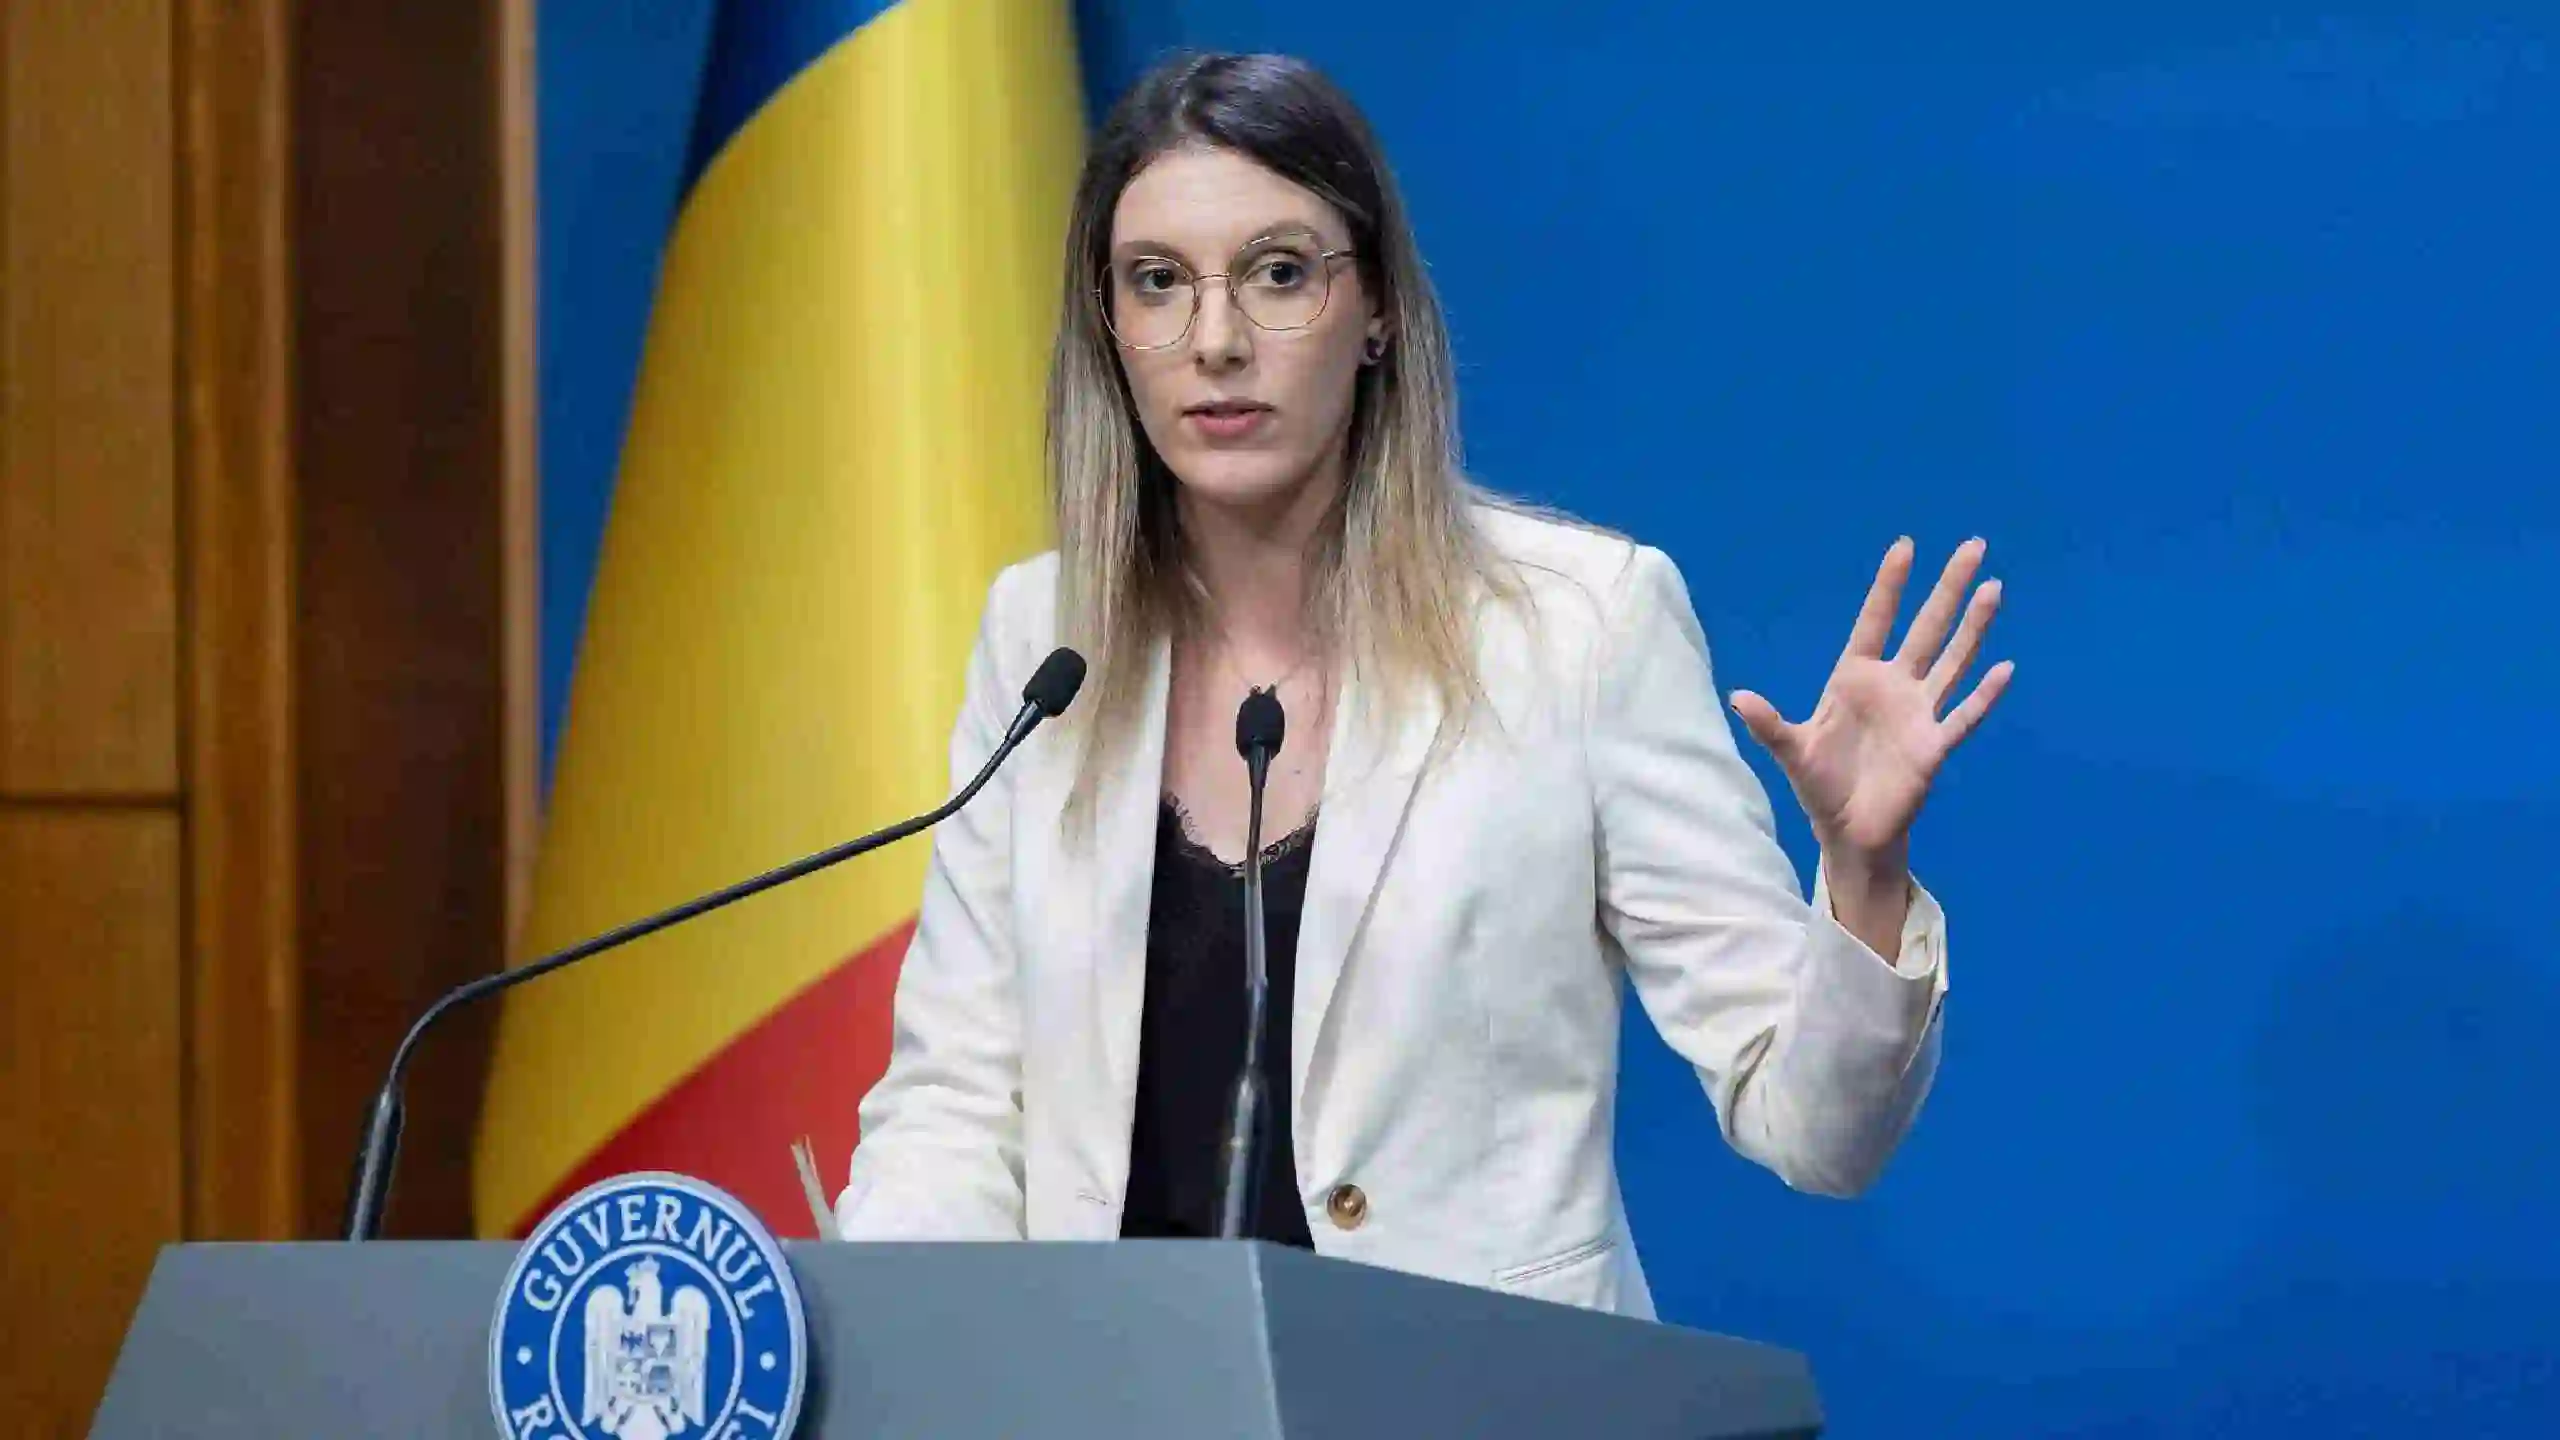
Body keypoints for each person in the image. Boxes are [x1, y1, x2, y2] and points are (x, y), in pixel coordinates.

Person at [833, 50, 2010, 1320]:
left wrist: (1863, 881)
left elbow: (1817, 1131)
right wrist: (901, 1351)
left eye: (1279, 274)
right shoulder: (1040, 639)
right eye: (1158, 283)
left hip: (1487, 1391)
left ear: (1378, 310)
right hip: (1119, 1390)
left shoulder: (1579, 629)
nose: (1215, 342)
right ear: (1109, 325)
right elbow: (955, 1103)